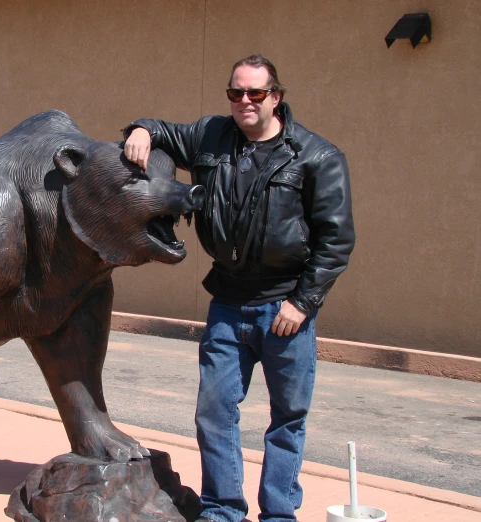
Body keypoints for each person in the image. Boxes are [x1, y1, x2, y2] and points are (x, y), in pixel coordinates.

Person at [122, 55, 355, 522]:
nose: (244, 101)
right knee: (214, 413)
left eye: (255, 93)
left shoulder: (316, 156)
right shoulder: (212, 135)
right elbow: (163, 129)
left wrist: (303, 302)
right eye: (235, 93)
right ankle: (223, 509)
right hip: (227, 303)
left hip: (286, 308)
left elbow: (336, 240)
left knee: (287, 419)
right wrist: (141, 130)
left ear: (277, 97)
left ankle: (278, 512)